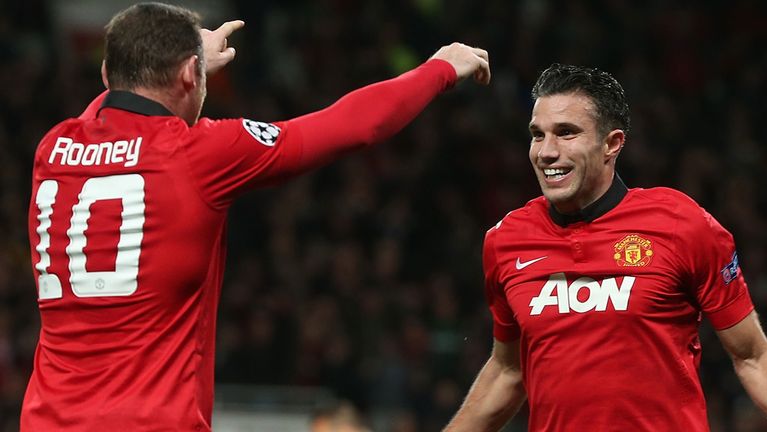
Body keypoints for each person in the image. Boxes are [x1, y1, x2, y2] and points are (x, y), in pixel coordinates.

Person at [23, 3, 490, 431]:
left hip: (45, 419)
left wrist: (183, 62)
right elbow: (354, 124)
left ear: (106, 74)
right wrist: (441, 69)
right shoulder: (201, 152)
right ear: (191, 73)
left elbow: (110, 103)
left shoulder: (53, 148)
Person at [444, 63, 767, 431]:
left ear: (611, 144)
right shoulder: (505, 240)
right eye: (538, 134)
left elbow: (753, 357)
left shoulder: (681, 224)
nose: (546, 152)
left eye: (566, 133)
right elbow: (508, 369)